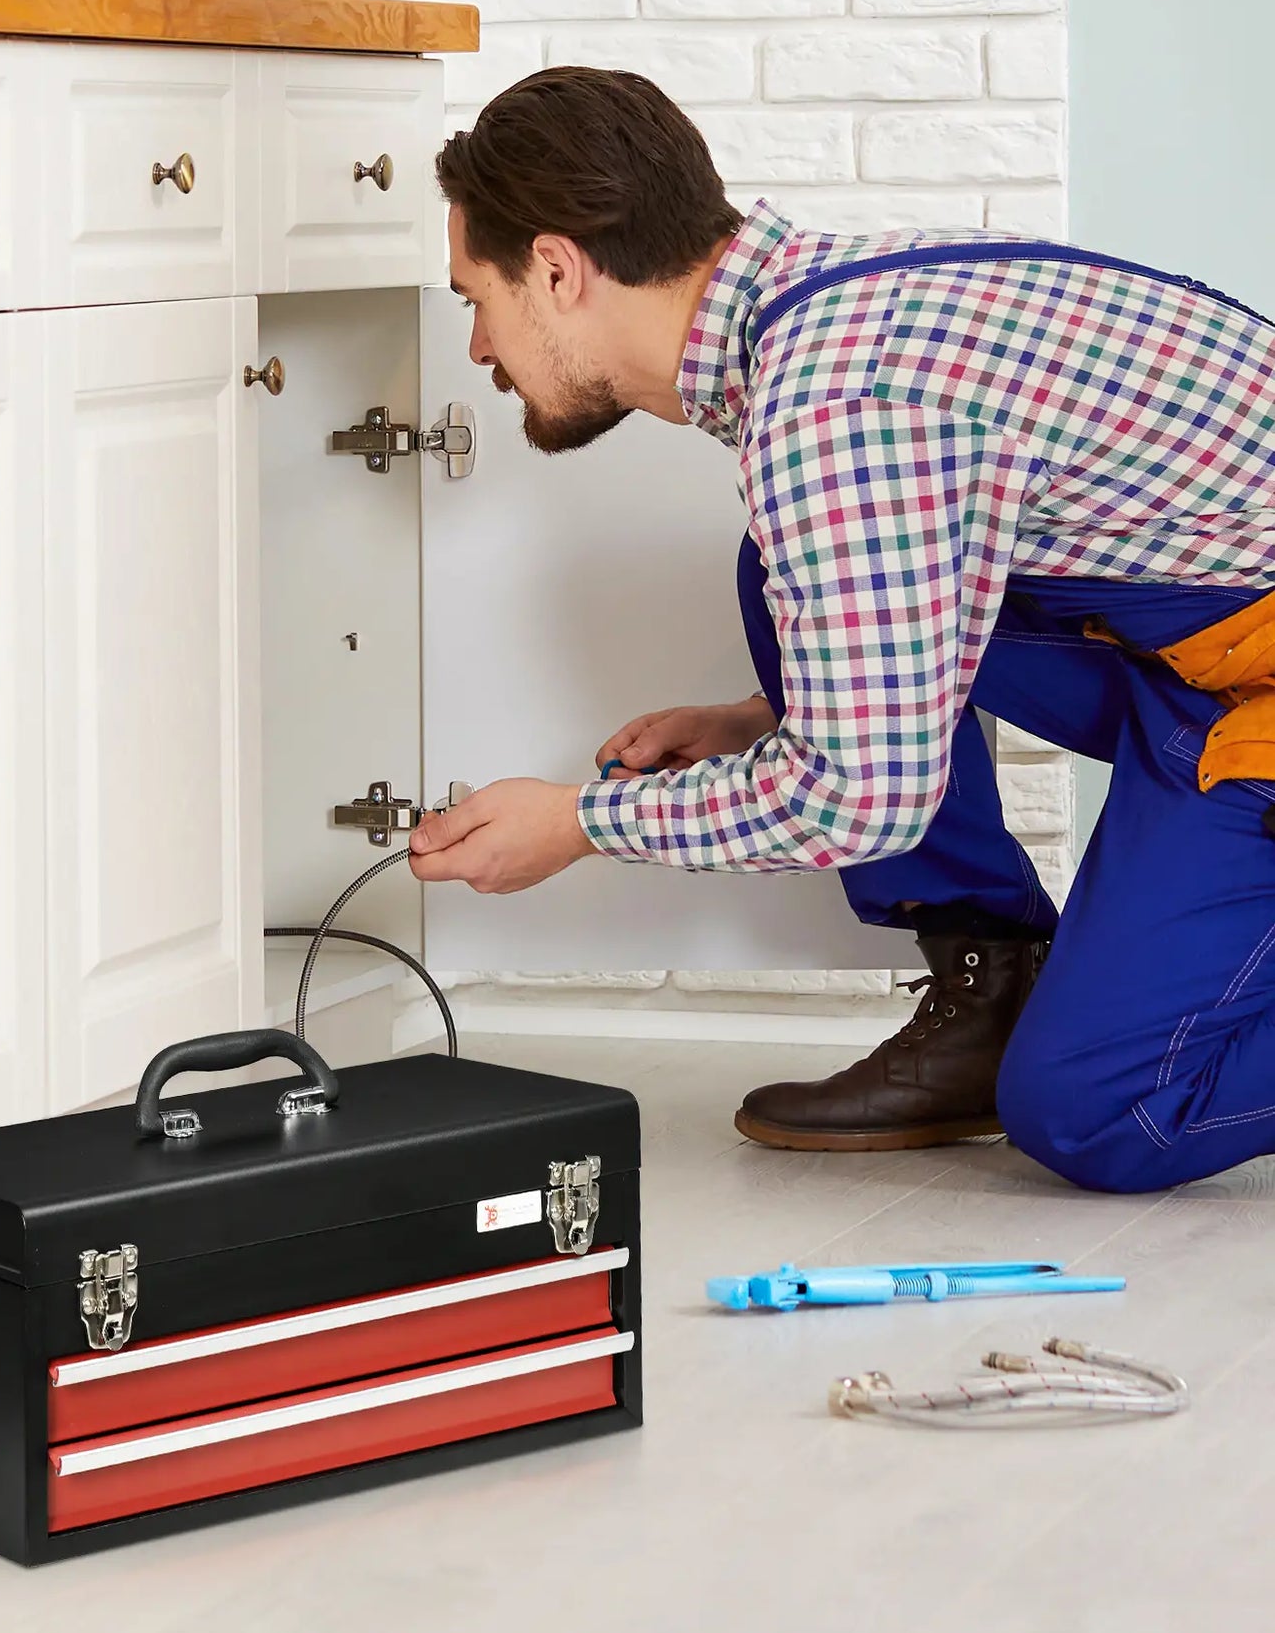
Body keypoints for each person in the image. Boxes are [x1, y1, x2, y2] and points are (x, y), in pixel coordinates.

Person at [408, 65, 1275, 1195]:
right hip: (1198, 643)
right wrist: (772, 710)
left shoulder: (832, 406)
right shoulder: (828, 304)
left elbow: (860, 796)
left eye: (475, 295)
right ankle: (990, 993)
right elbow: (923, 576)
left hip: (1241, 694)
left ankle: (1042, 1035)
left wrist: (578, 822)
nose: (475, 348)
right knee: (783, 568)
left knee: (1095, 1110)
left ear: (559, 269)